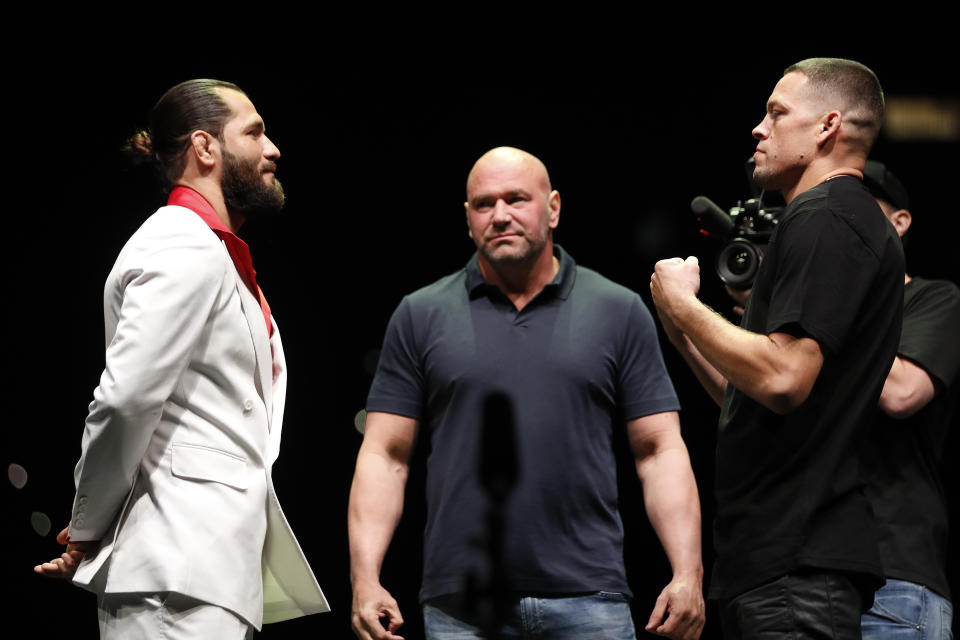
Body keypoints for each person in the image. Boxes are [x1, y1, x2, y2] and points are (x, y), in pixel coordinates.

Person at [348, 146, 705, 640]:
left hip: (590, 597)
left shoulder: (617, 309)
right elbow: (385, 454)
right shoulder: (421, 313)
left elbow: (659, 450)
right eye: (483, 203)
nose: (500, 215)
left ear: (553, 207)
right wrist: (364, 580)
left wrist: (689, 575)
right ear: (467, 217)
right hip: (463, 607)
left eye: (517, 199)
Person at [33, 79, 329, 638]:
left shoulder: (211, 249)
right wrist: (87, 526)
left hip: (205, 571)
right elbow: (125, 398)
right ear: (205, 147)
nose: (273, 150)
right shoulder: (181, 239)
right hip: (174, 570)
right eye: (255, 132)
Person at [650, 58, 904, 638]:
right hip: (777, 566)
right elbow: (753, 399)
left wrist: (688, 305)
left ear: (827, 127)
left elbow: (784, 379)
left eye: (777, 112)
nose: (759, 129)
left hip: (798, 568)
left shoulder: (827, 216)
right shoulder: (832, 220)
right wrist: (683, 331)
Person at [858, 160, 959, 638]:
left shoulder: (933, 299)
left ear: (899, 222)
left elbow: (900, 393)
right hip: (806, 581)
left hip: (894, 578)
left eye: (860, 209)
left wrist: (826, 303)